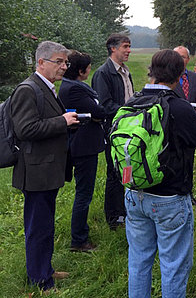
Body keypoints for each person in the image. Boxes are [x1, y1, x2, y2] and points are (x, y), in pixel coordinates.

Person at [124, 49, 196, 298]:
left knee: (138, 261)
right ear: (181, 73)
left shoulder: (132, 103)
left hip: (134, 191)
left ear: (152, 70)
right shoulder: (180, 108)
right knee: (173, 265)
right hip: (170, 196)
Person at [11, 41, 80, 291]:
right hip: (36, 172)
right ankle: (40, 280)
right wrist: (62, 122)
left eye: (66, 62)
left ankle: (45, 269)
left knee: (45, 224)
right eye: (59, 62)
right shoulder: (28, 90)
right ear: (41, 62)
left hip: (47, 170)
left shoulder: (47, 87)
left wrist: (65, 122)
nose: (64, 67)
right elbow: (25, 129)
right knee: (37, 228)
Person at [58, 51, 106, 252]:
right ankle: (79, 239)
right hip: (83, 147)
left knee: (84, 192)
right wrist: (97, 115)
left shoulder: (71, 86)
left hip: (82, 144)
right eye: (88, 67)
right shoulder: (75, 90)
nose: (89, 70)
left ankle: (80, 234)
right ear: (81, 70)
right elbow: (99, 112)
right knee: (84, 193)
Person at [91, 33, 134, 230]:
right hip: (113, 131)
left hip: (129, 129)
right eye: (125, 46)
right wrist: (130, 111)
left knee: (127, 168)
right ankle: (113, 216)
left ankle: (124, 209)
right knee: (114, 172)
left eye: (129, 46)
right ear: (113, 48)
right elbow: (104, 106)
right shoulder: (103, 73)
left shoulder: (125, 71)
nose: (128, 50)